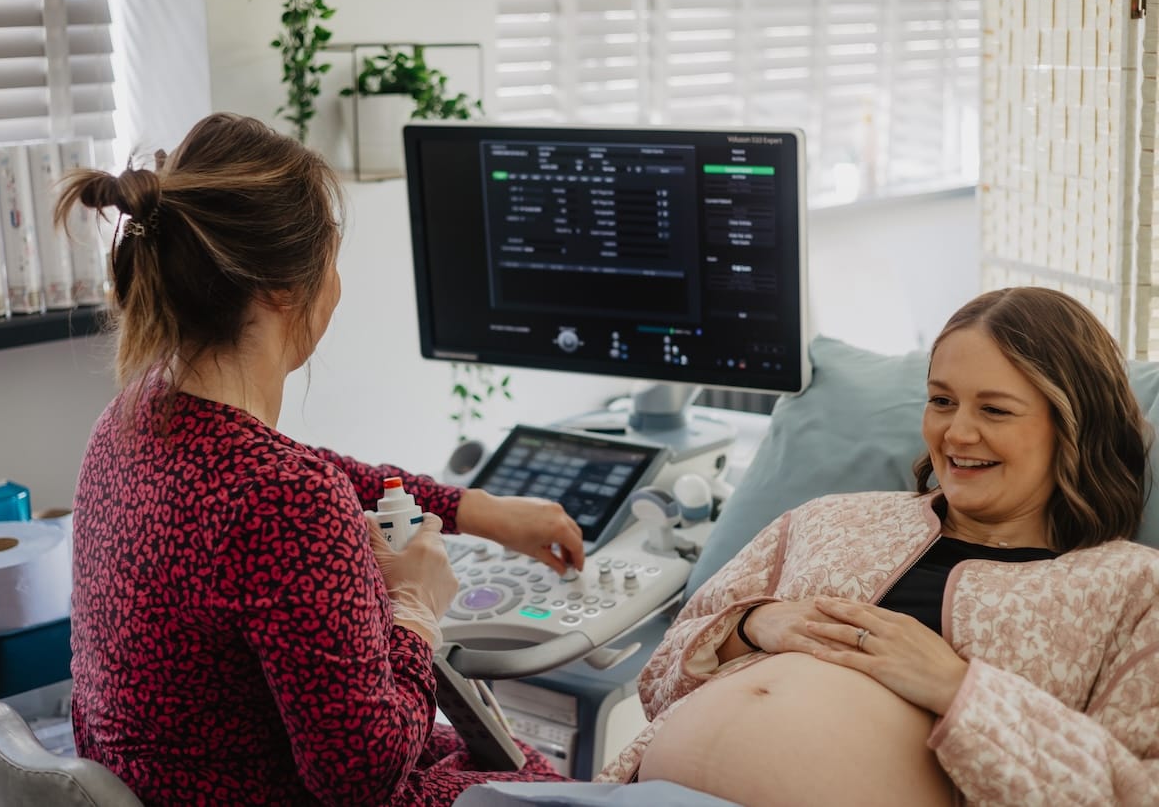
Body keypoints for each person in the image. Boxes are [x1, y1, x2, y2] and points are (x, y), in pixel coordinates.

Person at [59, 112, 584, 806]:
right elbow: (362, 780)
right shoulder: (283, 498)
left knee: (521, 765)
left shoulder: (132, 420)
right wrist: (416, 611)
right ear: (283, 289)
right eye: (332, 259)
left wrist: (477, 509)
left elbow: (314, 469)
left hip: (174, 784)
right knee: (569, 785)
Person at [596, 287, 1159, 806]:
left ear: (1075, 425)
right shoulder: (828, 519)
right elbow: (657, 681)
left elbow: (1132, 793)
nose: (957, 434)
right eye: (942, 401)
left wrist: (958, 688)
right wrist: (749, 627)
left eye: (994, 410)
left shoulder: (1131, 590)